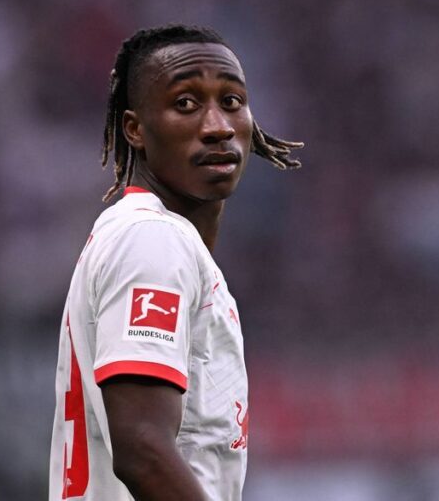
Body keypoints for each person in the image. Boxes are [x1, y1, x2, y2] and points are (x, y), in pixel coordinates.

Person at [48, 24, 302, 501]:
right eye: (186, 103)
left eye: (231, 102)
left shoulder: (153, 238)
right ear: (135, 129)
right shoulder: (152, 240)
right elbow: (143, 448)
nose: (217, 126)